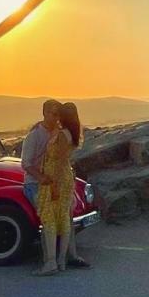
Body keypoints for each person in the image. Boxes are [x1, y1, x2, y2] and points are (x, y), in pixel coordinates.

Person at [35, 106, 77, 275]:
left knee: (50, 218)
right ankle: (61, 260)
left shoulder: (61, 135)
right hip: (65, 177)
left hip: (55, 178)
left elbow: (59, 161)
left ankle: (51, 262)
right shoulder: (70, 133)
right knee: (64, 217)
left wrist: (54, 185)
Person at [21, 99, 62, 272]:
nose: (55, 117)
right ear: (44, 113)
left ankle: (64, 257)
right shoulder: (34, 136)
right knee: (48, 219)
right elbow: (26, 163)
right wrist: (41, 177)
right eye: (52, 113)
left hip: (53, 183)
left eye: (57, 114)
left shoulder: (57, 133)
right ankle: (48, 261)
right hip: (35, 184)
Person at [59, 102, 90, 269]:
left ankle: (61, 259)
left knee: (63, 218)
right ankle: (72, 254)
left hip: (61, 175)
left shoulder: (63, 134)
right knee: (68, 218)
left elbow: (59, 158)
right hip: (68, 174)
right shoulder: (74, 133)